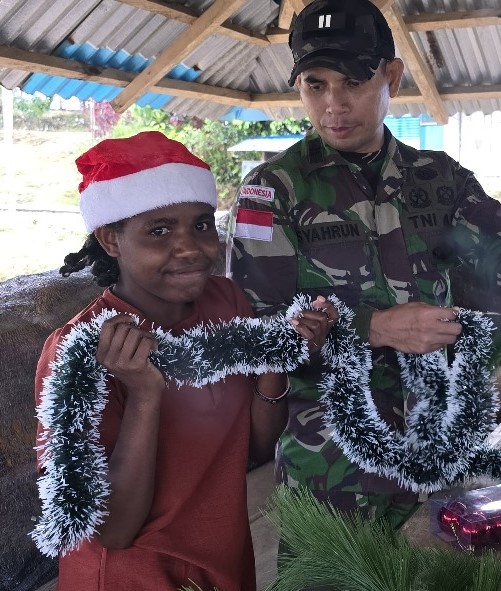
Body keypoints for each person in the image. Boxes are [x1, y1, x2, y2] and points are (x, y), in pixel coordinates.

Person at [227, 0, 501, 527]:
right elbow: (257, 329)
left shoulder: (440, 180)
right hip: (333, 466)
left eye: (354, 81)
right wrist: (375, 328)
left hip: (439, 446)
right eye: (316, 84)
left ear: (392, 77)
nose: (333, 104)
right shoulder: (272, 191)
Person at [35, 131, 336, 590]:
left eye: (200, 225)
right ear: (110, 238)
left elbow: (253, 451)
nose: (192, 248)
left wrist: (279, 355)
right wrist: (144, 394)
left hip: (223, 558)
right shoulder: (81, 353)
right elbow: (113, 531)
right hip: (135, 576)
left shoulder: (226, 302)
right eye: (159, 230)